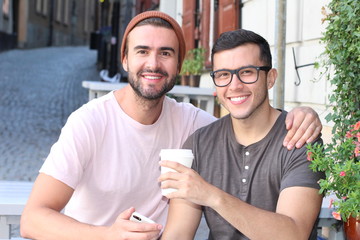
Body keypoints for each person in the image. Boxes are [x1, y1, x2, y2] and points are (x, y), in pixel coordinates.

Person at [20, 11, 321, 240]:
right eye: (142, 51)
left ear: (178, 65)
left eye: (165, 53)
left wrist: (300, 115)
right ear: (124, 59)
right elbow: (32, 219)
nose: (153, 63)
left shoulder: (192, 125)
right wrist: (108, 235)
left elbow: (248, 121)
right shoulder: (90, 122)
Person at [160, 29, 324, 240]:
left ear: (270, 78)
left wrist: (212, 196)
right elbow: (178, 233)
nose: (234, 86)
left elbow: (293, 233)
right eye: (223, 75)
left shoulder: (300, 138)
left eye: (247, 72)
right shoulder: (199, 143)